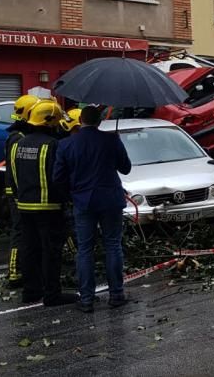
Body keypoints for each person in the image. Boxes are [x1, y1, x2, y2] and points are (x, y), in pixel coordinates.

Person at [54, 106, 132, 313]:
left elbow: (58, 178)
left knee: (85, 249)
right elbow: (126, 168)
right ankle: (116, 295)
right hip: (110, 200)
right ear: (99, 122)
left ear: (80, 120)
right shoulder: (111, 140)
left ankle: (86, 299)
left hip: (83, 201)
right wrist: (116, 145)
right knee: (113, 245)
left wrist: (72, 195)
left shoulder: (66, 144)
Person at [12, 101, 76, 307]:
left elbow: (14, 176)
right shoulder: (52, 145)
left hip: (24, 205)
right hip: (48, 207)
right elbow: (58, 176)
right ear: (50, 122)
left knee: (30, 249)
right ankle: (52, 294)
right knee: (51, 252)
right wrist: (66, 198)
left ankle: (31, 291)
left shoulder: (19, 143)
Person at [3, 94, 41, 288]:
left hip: (21, 191)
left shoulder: (19, 136)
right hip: (17, 193)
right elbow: (14, 168)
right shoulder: (18, 139)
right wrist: (19, 193)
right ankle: (14, 273)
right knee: (19, 231)